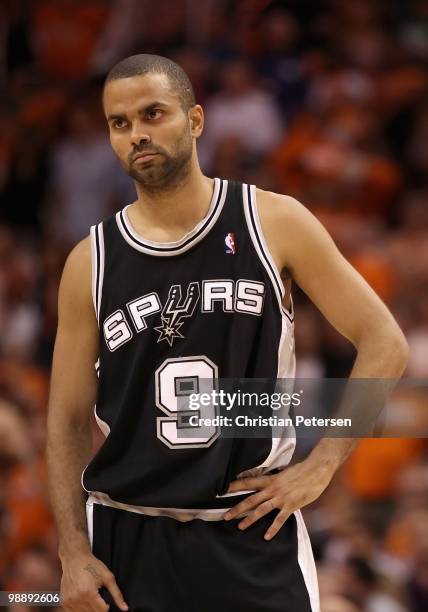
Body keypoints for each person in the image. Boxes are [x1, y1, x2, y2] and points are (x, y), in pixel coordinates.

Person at [46, 54, 409, 612]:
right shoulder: (89, 261)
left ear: (195, 120)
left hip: (250, 532)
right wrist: (72, 552)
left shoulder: (273, 221)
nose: (137, 134)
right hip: (128, 538)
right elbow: (68, 418)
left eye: (153, 114)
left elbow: (385, 342)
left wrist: (324, 463)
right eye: (120, 123)